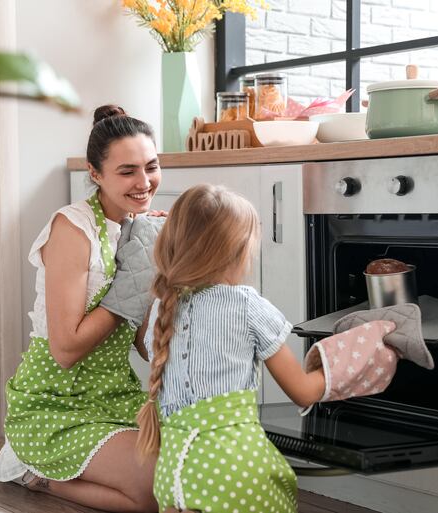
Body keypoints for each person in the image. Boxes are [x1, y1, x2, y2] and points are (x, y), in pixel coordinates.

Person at [0, 105, 161, 512]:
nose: (144, 182)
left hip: (115, 393)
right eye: (127, 171)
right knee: (154, 492)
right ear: (95, 173)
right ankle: (37, 474)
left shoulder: (142, 227)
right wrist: (131, 284)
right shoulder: (72, 227)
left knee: (192, 472)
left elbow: (143, 342)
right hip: (55, 402)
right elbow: (65, 350)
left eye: (151, 166)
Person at [136, 184, 327, 513]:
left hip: (172, 475)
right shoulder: (246, 304)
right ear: (236, 252)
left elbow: (146, 350)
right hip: (233, 471)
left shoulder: (161, 306)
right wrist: (351, 361)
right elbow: (304, 392)